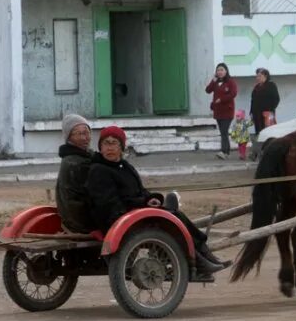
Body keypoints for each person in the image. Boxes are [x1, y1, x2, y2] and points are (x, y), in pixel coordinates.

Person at [86, 126, 231, 275]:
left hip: (133, 211)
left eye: (114, 143)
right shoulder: (99, 170)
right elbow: (109, 203)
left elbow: (140, 191)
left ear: (121, 147)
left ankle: (206, 255)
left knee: (175, 215)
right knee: (173, 219)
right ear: (100, 147)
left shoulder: (125, 167)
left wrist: (150, 199)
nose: (109, 147)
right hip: (116, 217)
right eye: (106, 143)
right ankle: (198, 261)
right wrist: (142, 205)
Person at [55, 114, 95, 233]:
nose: (84, 138)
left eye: (86, 132)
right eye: (78, 134)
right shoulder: (76, 162)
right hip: (81, 221)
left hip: (75, 217)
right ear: (69, 138)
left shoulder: (83, 156)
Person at [205, 62, 238, 160]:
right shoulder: (216, 82)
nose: (219, 72)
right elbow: (208, 90)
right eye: (218, 70)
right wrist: (213, 80)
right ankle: (225, 151)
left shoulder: (230, 82)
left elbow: (233, 94)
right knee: (222, 132)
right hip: (218, 111)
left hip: (227, 111)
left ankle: (225, 152)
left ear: (226, 71)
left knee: (224, 131)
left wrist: (222, 99)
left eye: (221, 70)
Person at [249, 67, 280, 159]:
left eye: (260, 76)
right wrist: (251, 112)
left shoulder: (271, 85)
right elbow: (253, 100)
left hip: (267, 114)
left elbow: (276, 99)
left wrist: (270, 110)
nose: (257, 78)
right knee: (259, 133)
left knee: (268, 133)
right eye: (257, 76)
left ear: (265, 76)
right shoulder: (256, 87)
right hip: (256, 114)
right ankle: (258, 152)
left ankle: (268, 151)